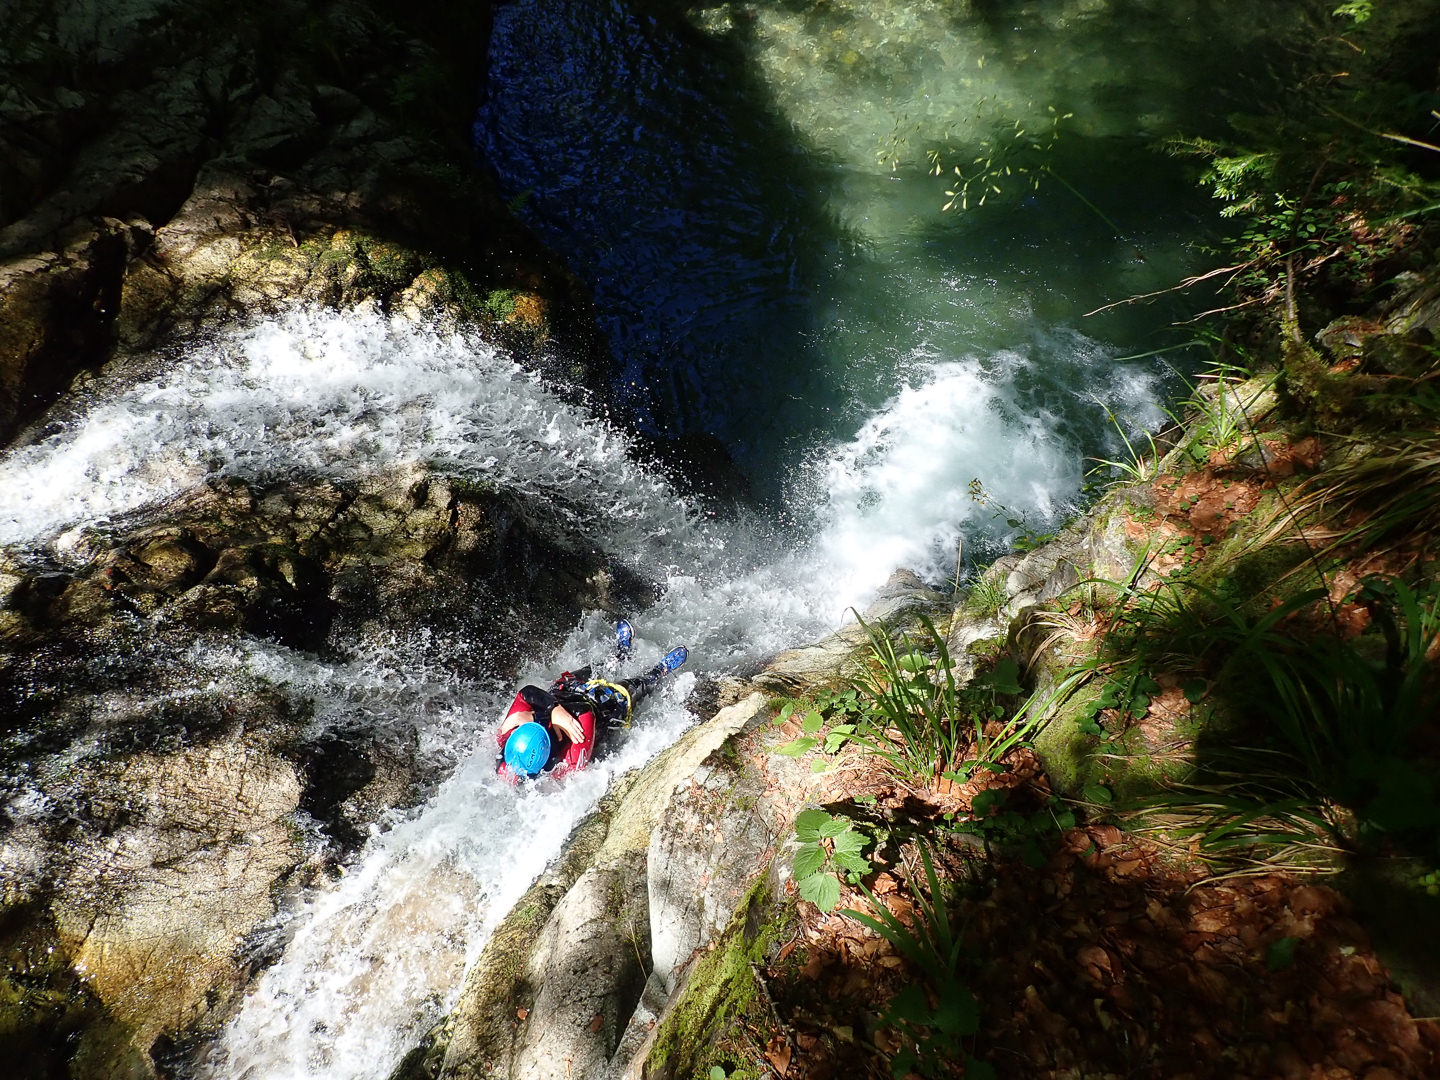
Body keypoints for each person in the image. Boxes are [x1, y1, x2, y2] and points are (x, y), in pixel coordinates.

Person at [496, 620, 689, 782]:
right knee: (622, 692)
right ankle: (658, 672)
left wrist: (552, 709)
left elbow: (527, 692)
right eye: (539, 723)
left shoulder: (508, 749)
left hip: (563, 696)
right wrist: (558, 716)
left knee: (578, 676)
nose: (535, 719)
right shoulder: (569, 764)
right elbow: (585, 709)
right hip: (595, 713)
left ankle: (619, 654)